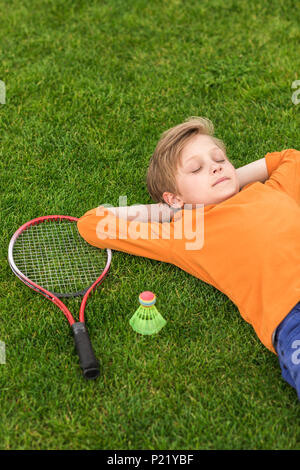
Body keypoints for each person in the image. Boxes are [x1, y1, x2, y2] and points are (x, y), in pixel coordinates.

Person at [77, 116, 300, 400]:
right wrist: (168, 211)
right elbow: (92, 224)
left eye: (220, 159)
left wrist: (232, 179)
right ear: (174, 198)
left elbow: (291, 159)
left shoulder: (273, 191)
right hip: (290, 319)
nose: (216, 166)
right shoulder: (186, 234)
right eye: (196, 169)